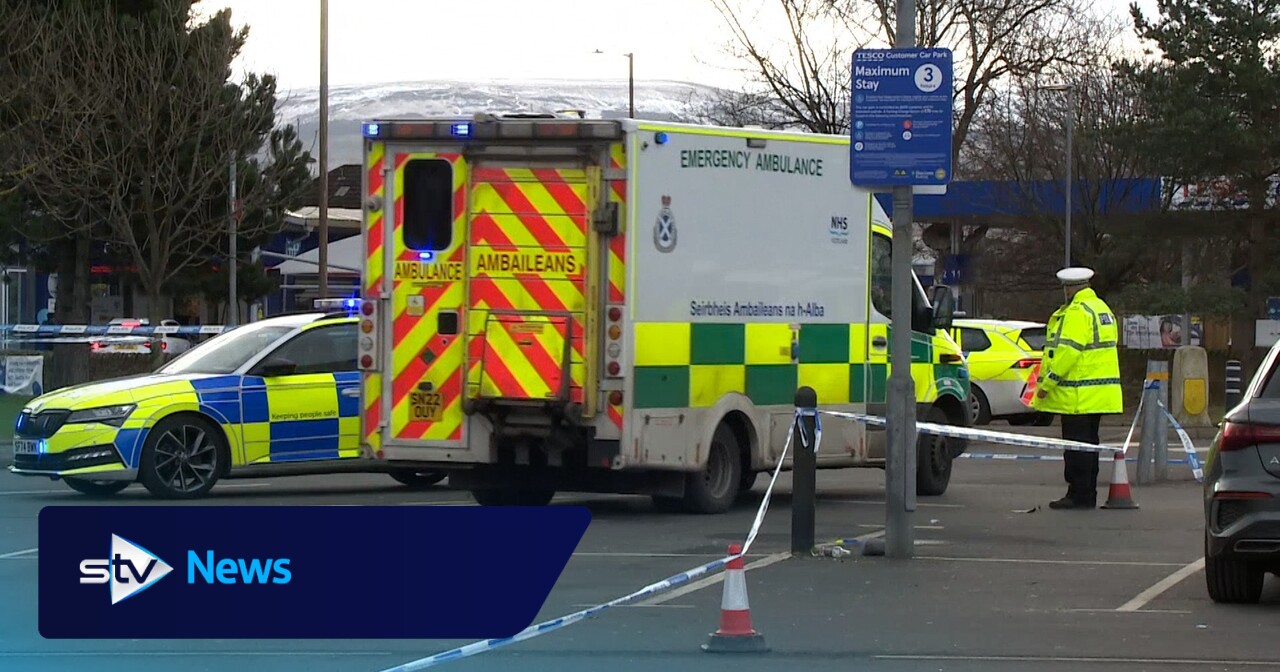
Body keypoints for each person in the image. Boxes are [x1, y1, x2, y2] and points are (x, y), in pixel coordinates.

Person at [1031, 267, 1124, 509]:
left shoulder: (1077, 312)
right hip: (1099, 393)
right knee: (1089, 445)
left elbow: (1067, 354)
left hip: (1077, 395)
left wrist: (1046, 384)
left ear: (1069, 289)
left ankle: (1078, 495)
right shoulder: (1101, 309)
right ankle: (1087, 493)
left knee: (1076, 448)